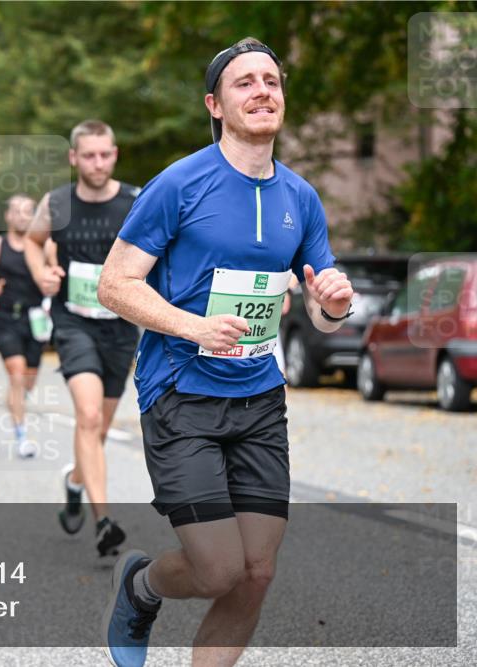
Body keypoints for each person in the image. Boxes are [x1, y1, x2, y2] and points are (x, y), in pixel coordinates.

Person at [97, 38, 354, 667]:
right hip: (182, 393)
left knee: (257, 572)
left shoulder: (301, 197)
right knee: (217, 570)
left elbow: (321, 309)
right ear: (215, 104)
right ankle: (141, 586)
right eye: (245, 83)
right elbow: (115, 284)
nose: (263, 91)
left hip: (259, 400)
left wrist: (336, 302)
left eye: (272, 81)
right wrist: (192, 326)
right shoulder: (179, 184)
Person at [25, 120, 141, 557]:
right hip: (74, 322)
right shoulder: (56, 203)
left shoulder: (136, 201)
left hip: (120, 324)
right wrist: (42, 272)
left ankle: (75, 482)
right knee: (88, 418)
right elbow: (33, 243)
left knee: (101, 428)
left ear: (115, 154)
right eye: (88, 155)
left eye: (105, 154)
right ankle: (104, 521)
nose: (98, 163)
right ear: (73, 158)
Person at [0, 194, 47, 459]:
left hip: (37, 320)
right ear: (7, 216)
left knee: (27, 382)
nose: (21, 216)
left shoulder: (43, 246)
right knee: (16, 375)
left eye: (28, 211)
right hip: (7, 318)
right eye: (16, 211)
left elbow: (54, 274)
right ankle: (22, 436)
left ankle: (17, 405)